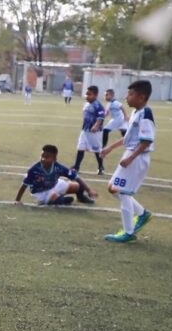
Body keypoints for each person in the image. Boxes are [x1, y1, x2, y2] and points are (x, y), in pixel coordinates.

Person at [100, 80, 156, 243]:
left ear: (141, 97)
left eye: (130, 94)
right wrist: (110, 147)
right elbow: (128, 138)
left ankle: (128, 232)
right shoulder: (136, 113)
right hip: (131, 154)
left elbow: (147, 141)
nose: (126, 97)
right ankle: (142, 214)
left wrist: (130, 158)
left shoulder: (146, 113)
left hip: (137, 157)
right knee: (113, 188)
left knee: (121, 191)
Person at [15, 145, 97, 206]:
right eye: (42, 156)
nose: (43, 159)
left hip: (54, 185)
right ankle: (60, 200)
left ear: (54, 159)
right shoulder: (34, 169)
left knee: (78, 186)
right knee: (57, 199)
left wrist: (89, 190)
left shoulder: (59, 167)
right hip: (40, 193)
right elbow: (24, 185)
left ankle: (80, 198)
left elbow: (76, 177)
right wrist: (17, 200)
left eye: (46, 157)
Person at [73, 85, 106, 175]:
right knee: (81, 148)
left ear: (95, 95)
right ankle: (76, 167)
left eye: (89, 94)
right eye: (86, 94)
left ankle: (101, 167)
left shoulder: (98, 105)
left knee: (97, 150)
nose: (86, 96)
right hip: (85, 130)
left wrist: (96, 125)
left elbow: (101, 116)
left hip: (94, 132)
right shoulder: (86, 104)